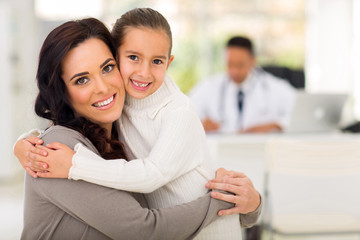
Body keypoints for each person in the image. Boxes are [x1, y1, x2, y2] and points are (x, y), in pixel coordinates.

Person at [14, 11, 261, 239]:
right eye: (82, 80)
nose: (102, 87)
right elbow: (143, 230)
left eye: (107, 68)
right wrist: (222, 201)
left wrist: (252, 204)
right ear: (61, 91)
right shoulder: (57, 153)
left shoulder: (128, 122)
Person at [189, 36, 296, 134]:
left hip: (260, 149)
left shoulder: (275, 87)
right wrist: (200, 124)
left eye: (240, 65)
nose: (234, 71)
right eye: (230, 64)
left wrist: (277, 125)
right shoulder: (209, 86)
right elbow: (184, 113)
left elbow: (300, 116)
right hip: (221, 150)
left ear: (253, 60)